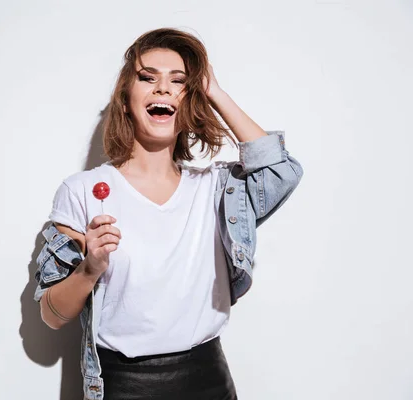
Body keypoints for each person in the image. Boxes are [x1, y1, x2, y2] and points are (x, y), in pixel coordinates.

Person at [33, 28, 303, 400]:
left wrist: (214, 92)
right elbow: (51, 314)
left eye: (179, 82)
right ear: (126, 99)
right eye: (147, 78)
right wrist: (90, 268)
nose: (162, 89)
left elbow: (281, 171)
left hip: (208, 378)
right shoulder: (81, 191)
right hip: (122, 384)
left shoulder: (216, 189)